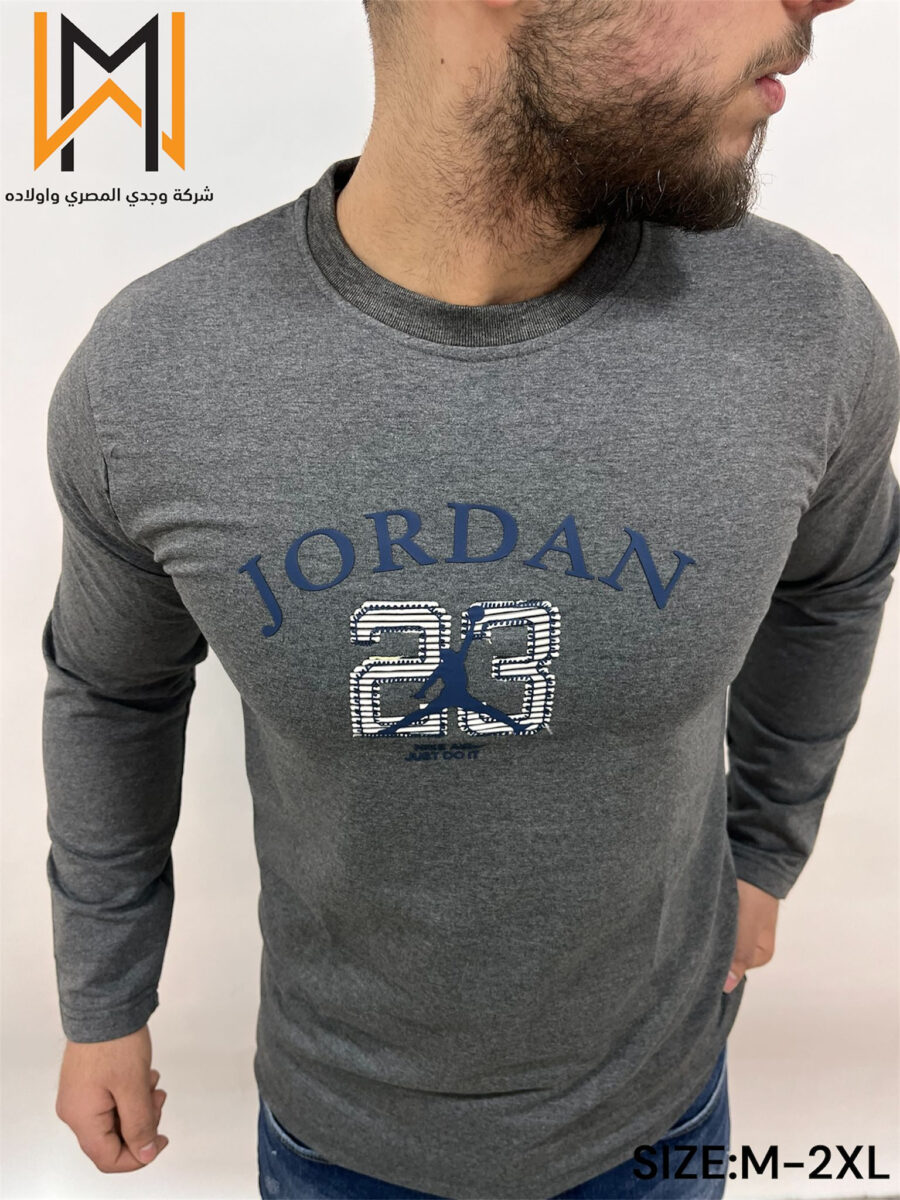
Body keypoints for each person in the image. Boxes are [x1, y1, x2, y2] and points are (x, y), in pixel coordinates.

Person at [43, 0, 898, 1197]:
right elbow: (109, 687)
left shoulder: (807, 331)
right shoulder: (156, 371)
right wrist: (104, 998)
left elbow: (839, 580)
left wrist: (766, 846)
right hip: (339, 1134)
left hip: (658, 1114)